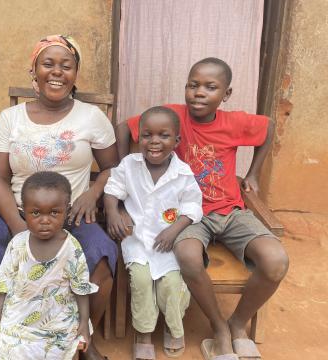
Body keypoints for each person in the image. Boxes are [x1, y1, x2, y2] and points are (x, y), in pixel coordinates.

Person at [0, 35, 118, 360]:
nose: (57, 72)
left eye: (65, 66)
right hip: (16, 212)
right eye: (48, 64)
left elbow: (113, 168)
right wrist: (18, 226)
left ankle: (81, 340)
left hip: (71, 216)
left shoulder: (92, 117)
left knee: (100, 272)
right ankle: (41, 307)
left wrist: (93, 192)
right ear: (35, 71)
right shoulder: (10, 118)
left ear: (75, 74)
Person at [117, 58, 289, 360]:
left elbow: (269, 127)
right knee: (186, 255)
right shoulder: (173, 116)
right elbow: (124, 128)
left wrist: (253, 175)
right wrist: (122, 171)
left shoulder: (234, 122)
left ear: (226, 93)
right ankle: (218, 328)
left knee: (276, 261)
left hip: (231, 210)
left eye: (210, 87)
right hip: (188, 213)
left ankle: (237, 324)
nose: (199, 92)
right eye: (193, 85)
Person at [104, 107, 202, 359]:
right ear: (138, 138)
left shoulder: (183, 174)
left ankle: (173, 326)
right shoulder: (129, 164)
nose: (154, 141)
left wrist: (175, 229)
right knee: (141, 280)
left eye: (163, 135)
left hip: (167, 241)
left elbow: (192, 207)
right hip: (137, 241)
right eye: (147, 135)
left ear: (176, 141)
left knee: (171, 283)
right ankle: (143, 332)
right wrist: (113, 213)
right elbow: (112, 189)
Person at [0, 171, 97, 359]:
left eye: (54, 212)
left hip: (57, 318)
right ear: (23, 212)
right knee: (2, 350)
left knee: (54, 352)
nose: (45, 220)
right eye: (36, 213)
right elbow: (5, 283)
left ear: (67, 212)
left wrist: (84, 322)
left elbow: (80, 289)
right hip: (20, 314)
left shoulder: (71, 248)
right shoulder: (18, 243)